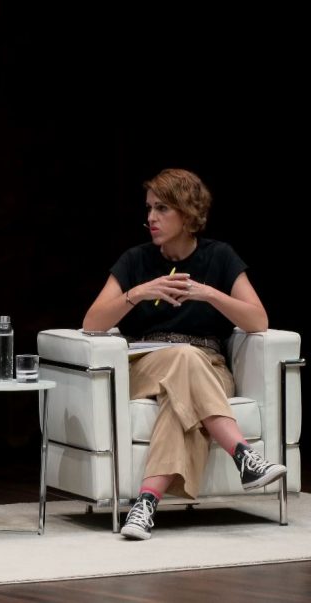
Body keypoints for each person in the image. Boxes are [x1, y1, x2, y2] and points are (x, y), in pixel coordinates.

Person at [82, 168, 286, 540]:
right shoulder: (136, 261)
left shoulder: (219, 257)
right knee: (182, 357)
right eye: (149, 209)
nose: (151, 218)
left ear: (187, 213)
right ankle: (243, 453)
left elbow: (258, 320)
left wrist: (209, 293)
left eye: (162, 209)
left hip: (210, 368)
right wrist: (138, 292)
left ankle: (145, 504)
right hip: (145, 365)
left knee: (180, 402)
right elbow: (92, 322)